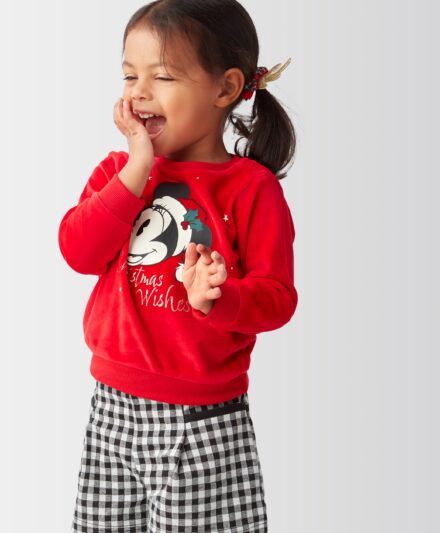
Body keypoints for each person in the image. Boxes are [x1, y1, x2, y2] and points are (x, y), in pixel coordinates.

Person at [59, 1, 298, 531]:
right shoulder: (119, 172)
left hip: (201, 421)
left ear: (225, 87)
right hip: (111, 407)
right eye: (130, 75)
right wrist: (137, 168)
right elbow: (78, 251)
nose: (139, 91)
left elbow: (278, 298)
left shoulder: (251, 189)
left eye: (162, 76)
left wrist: (219, 299)